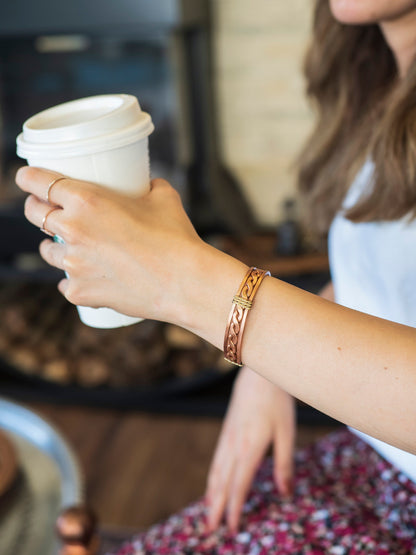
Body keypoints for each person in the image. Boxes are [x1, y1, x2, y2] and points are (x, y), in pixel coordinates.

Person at [16, 0, 416, 552]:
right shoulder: (380, 80)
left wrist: (191, 285)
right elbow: (388, 280)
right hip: (371, 449)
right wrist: (266, 374)